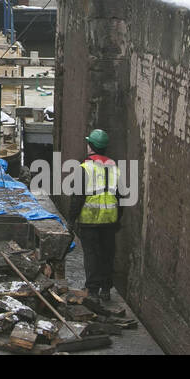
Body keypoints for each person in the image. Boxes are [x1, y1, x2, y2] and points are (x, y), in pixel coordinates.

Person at [67, 129, 121, 303]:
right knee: (107, 254)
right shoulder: (114, 167)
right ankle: (106, 289)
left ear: (91, 147)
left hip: (89, 219)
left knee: (91, 255)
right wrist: (118, 219)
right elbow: (120, 196)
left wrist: (70, 219)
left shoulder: (85, 168)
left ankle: (92, 290)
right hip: (109, 219)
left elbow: (78, 197)